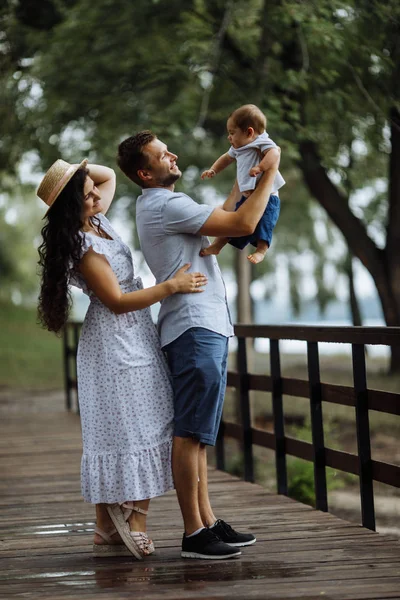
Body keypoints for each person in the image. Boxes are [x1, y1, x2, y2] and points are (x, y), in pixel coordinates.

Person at [117, 131, 280, 560]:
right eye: (161, 154)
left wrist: (243, 179)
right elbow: (243, 224)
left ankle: (207, 522)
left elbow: (225, 212)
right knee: (189, 432)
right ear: (144, 173)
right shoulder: (166, 204)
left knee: (200, 433)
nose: (172, 155)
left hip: (201, 326)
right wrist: (271, 172)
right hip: (193, 328)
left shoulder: (165, 204)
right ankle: (193, 533)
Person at [36, 158, 208, 560]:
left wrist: (72, 171)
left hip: (135, 336)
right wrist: (172, 286)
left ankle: (105, 528)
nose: (97, 193)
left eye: (92, 190)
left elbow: (108, 175)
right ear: (69, 208)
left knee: (137, 425)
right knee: (134, 428)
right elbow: (115, 301)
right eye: (85, 194)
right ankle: (132, 523)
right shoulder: (84, 244)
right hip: (116, 341)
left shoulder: (97, 220)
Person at [201, 104, 285, 264]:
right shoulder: (238, 147)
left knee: (265, 225)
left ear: (249, 132)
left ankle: (261, 250)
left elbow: (275, 153)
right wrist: (213, 170)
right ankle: (218, 245)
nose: (229, 137)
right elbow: (226, 158)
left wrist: (260, 167)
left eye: (232, 133)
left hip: (268, 198)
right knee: (233, 223)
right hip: (247, 197)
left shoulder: (262, 141)